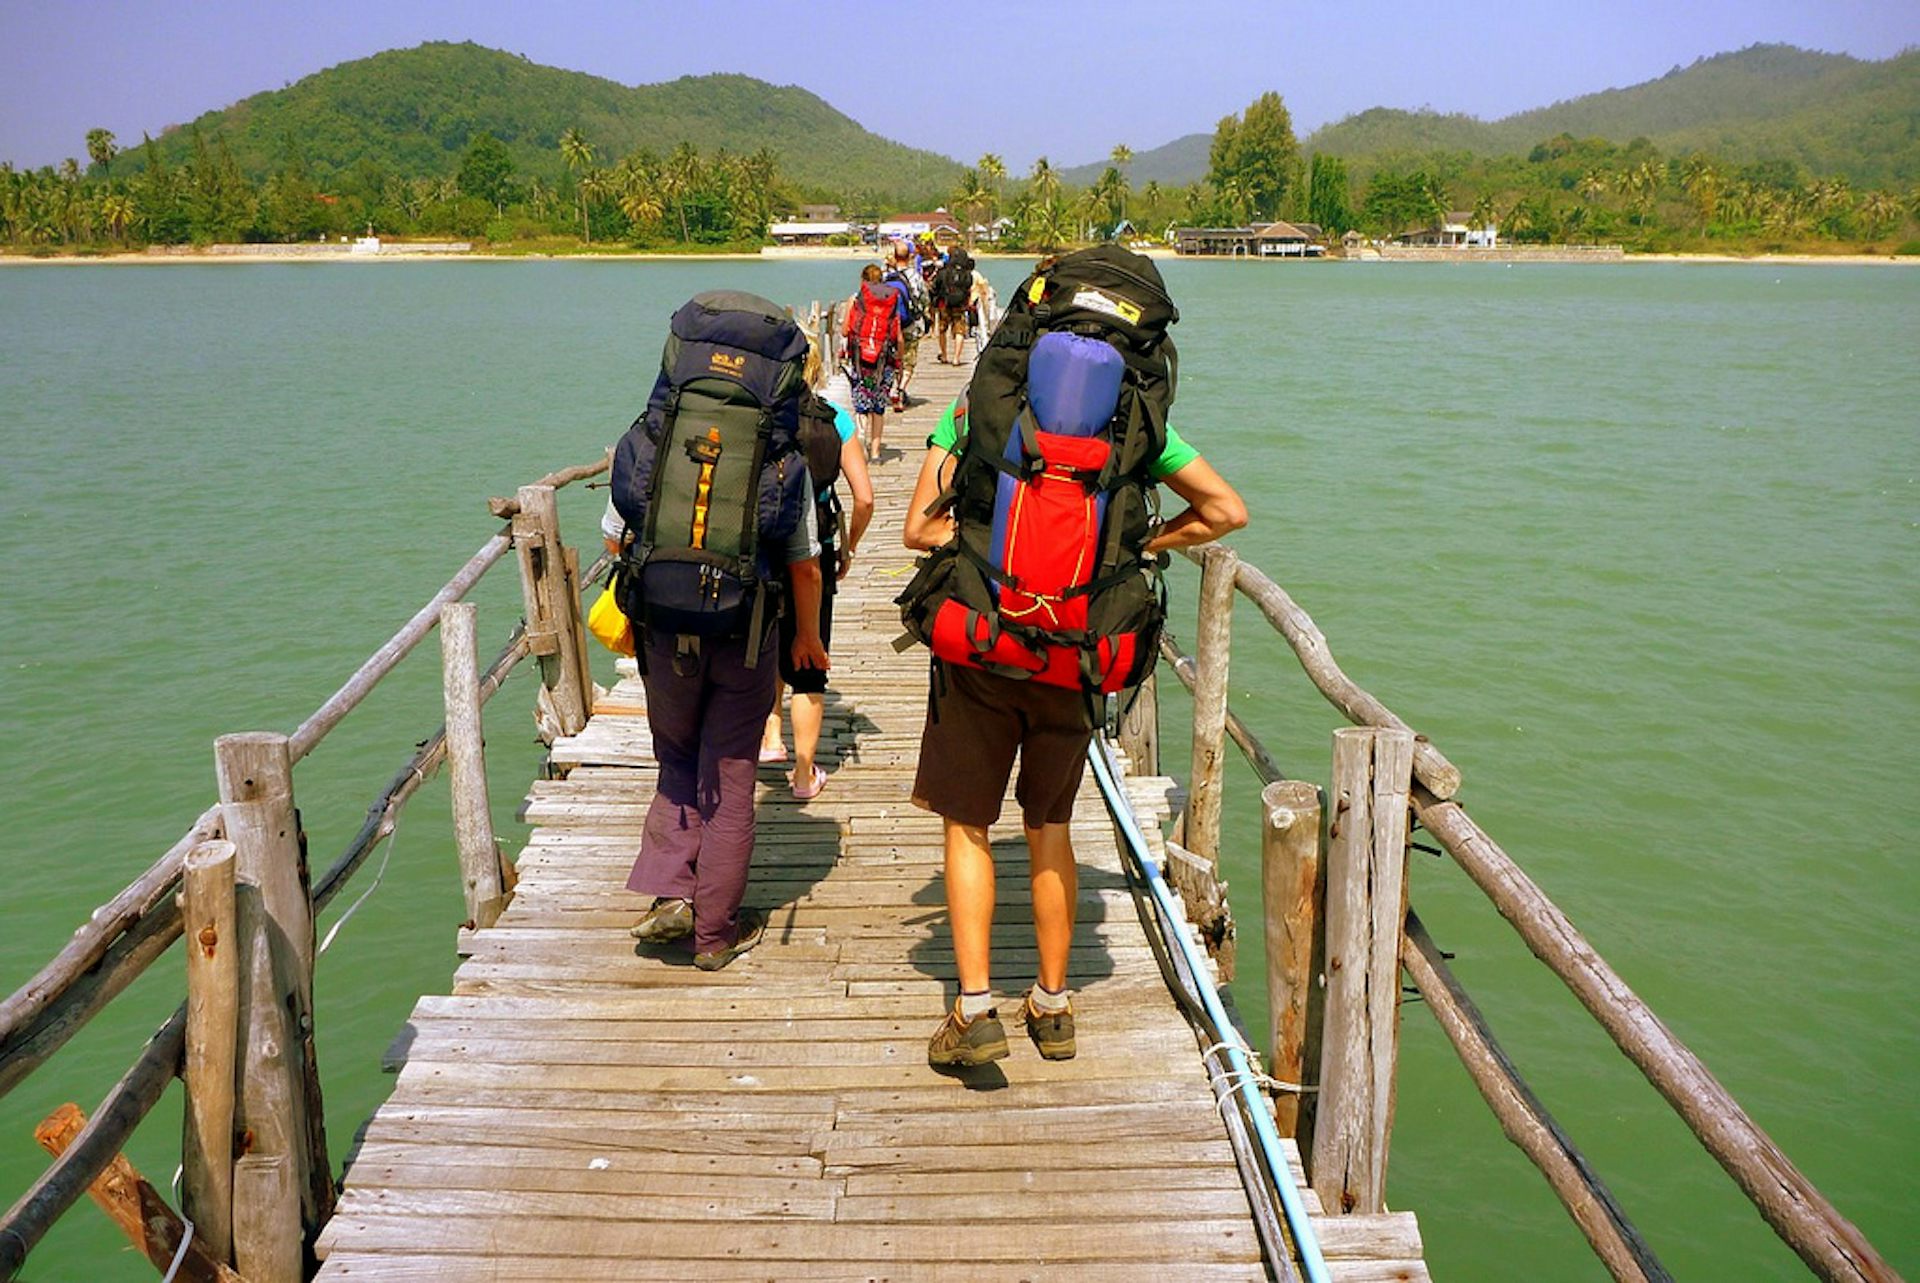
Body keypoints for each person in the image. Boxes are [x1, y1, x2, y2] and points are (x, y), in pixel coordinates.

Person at [901, 354, 1247, 1067]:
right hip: (1075, 658)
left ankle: (973, 1010)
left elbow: (917, 530)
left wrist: (990, 548)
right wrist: (1138, 546)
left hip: (982, 648)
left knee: (967, 825)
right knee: (1049, 825)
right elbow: (1226, 512)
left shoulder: (973, 412)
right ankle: (1053, 1006)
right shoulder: (1132, 426)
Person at [603, 295, 832, 972]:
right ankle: (714, 934)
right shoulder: (782, 457)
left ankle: (674, 891)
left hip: (663, 630)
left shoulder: (650, 442)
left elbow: (615, 535)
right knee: (731, 777)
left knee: (677, 759)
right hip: (747, 634)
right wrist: (807, 639)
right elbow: (806, 564)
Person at [761, 339, 876, 798]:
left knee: (768, 639)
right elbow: (865, 499)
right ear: (814, 370)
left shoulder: (763, 418)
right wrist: (849, 546)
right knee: (809, 657)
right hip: (817, 550)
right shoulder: (836, 421)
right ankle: (804, 775)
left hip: (764, 548)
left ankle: (771, 736)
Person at [843, 263, 901, 462]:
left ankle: (861, 439)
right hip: (884, 362)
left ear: (863, 280)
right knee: (878, 408)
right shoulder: (891, 300)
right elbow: (897, 335)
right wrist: (899, 360)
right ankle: (876, 452)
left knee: (861, 405)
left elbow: (845, 330)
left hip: (861, 361)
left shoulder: (855, 299)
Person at [883, 241, 930, 410]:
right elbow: (924, 299)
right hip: (910, 324)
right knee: (908, 359)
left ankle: (892, 388)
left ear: (895, 256)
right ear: (910, 257)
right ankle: (901, 389)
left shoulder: (887, 277)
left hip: (890, 325)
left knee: (892, 357)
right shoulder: (915, 276)